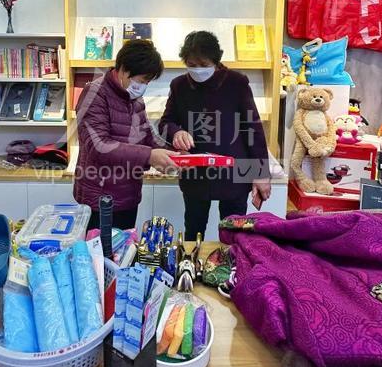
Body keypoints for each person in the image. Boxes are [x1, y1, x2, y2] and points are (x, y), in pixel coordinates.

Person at [158, 31, 271, 241]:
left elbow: (253, 128)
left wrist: (261, 173)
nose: (197, 70)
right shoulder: (179, 85)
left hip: (234, 170)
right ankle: (192, 261)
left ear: (216, 61)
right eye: (191, 64)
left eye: (203, 64)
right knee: (193, 230)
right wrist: (176, 132)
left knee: (234, 233)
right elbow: (165, 123)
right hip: (195, 171)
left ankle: (232, 262)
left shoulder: (236, 82)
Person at [74, 40, 177, 230]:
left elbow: (147, 136)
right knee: (100, 249)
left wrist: (174, 155)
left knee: (126, 246)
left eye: (147, 82)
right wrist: (149, 156)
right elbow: (99, 147)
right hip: (100, 199)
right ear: (122, 68)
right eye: (141, 80)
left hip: (129, 195)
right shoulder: (95, 93)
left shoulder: (135, 98)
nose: (143, 86)